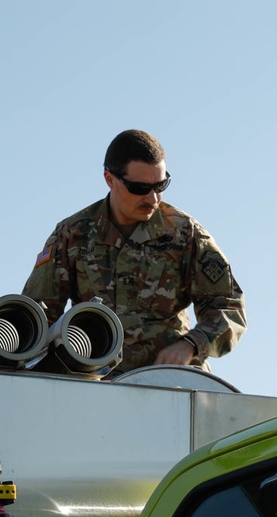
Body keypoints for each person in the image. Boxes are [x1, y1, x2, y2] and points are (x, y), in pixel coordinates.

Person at [22, 129, 246, 375]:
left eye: (161, 185)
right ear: (110, 179)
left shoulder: (186, 234)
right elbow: (38, 315)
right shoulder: (73, 234)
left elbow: (228, 307)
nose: (152, 199)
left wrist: (191, 345)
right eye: (140, 188)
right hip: (95, 383)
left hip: (171, 383)